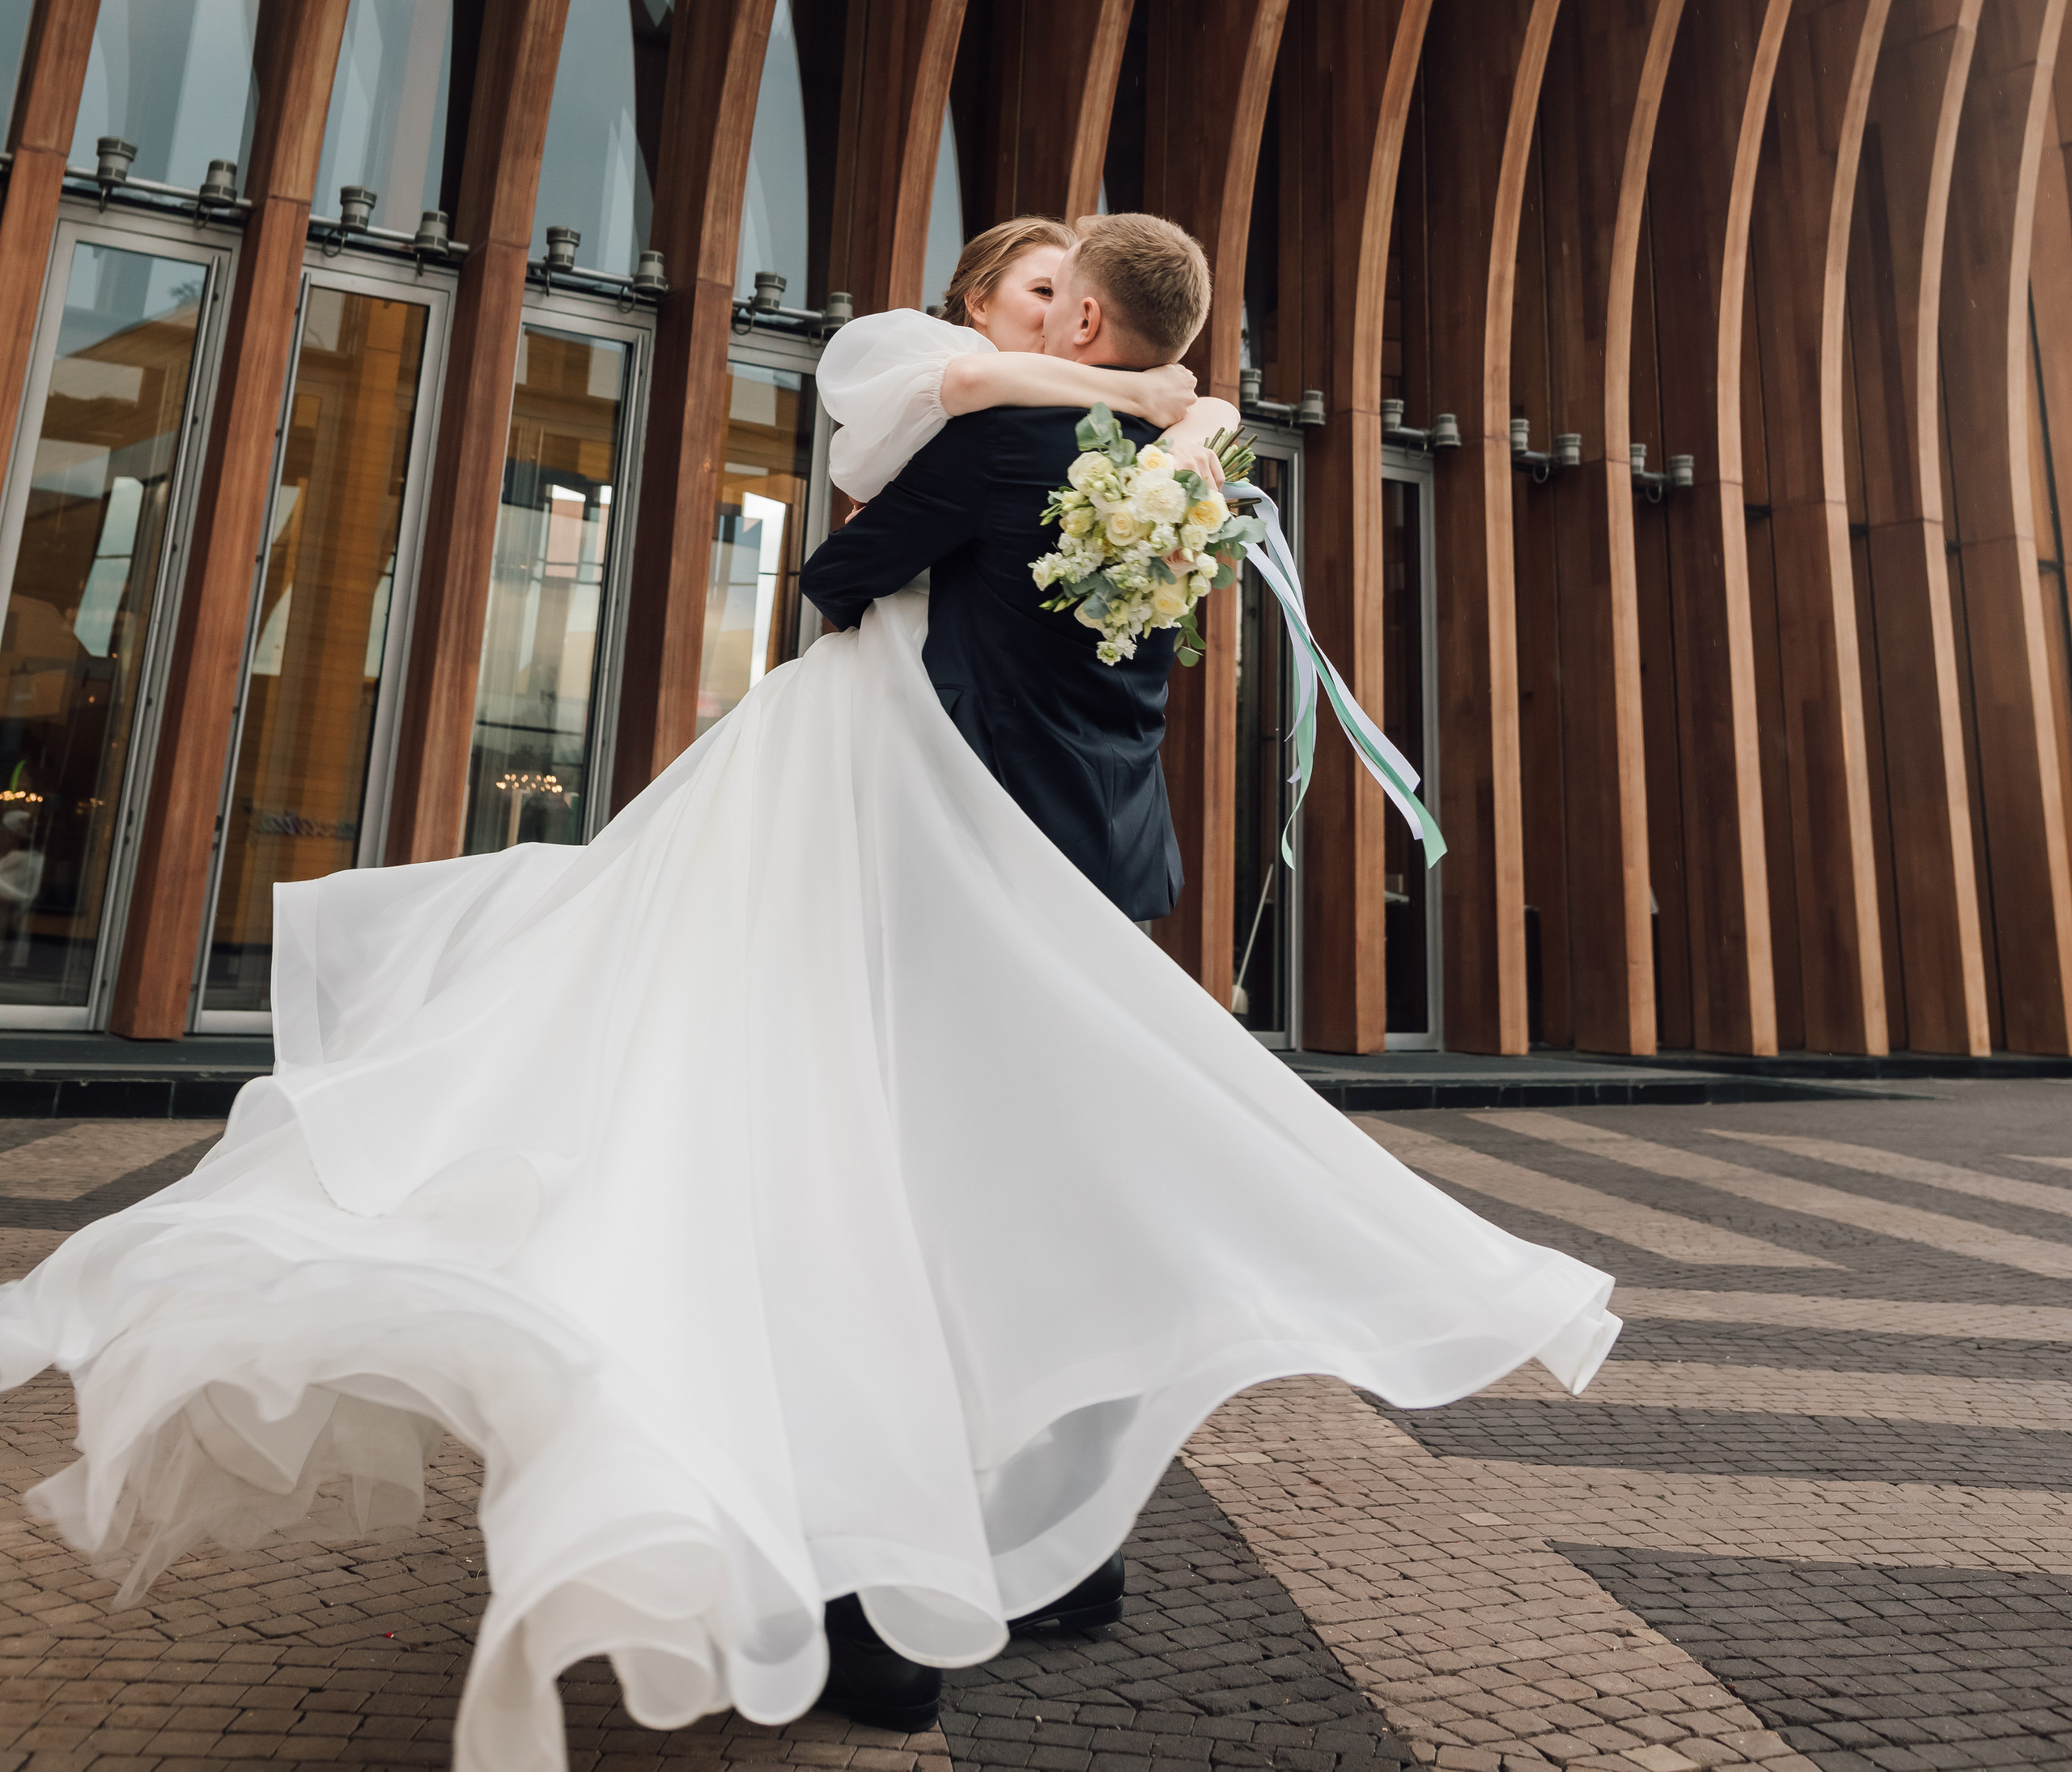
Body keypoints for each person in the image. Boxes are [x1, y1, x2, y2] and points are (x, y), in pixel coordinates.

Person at [0, 216, 1618, 1772]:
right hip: (1079, 873)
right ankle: (1046, 1556)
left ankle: (882, 1602)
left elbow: (841, 570)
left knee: (876, 1204)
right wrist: (1149, 410)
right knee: (1019, 1213)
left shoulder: (1003, 446)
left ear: (1081, 320)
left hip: (937, 866)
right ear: (1006, 303)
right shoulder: (1152, 459)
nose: (1039, 305)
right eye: (1021, 274)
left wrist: (883, 605)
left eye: (1062, 285)